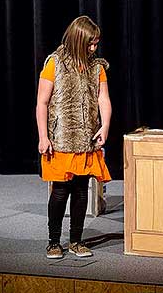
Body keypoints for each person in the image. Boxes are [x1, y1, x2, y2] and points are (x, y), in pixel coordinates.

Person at [36, 16, 112, 259]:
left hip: (87, 139)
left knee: (81, 191)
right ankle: (53, 241)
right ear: (77, 40)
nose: (93, 49)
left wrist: (106, 125)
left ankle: (76, 241)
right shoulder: (55, 63)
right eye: (90, 44)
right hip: (61, 139)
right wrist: (43, 137)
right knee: (60, 191)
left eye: (96, 44)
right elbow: (42, 103)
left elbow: (103, 99)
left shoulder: (97, 67)